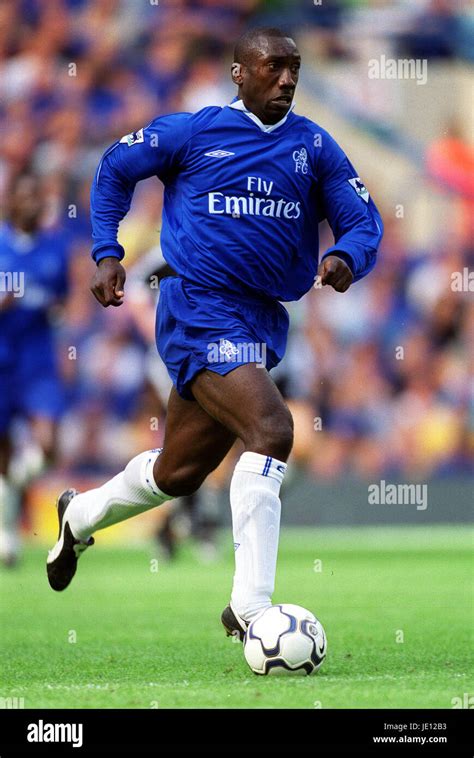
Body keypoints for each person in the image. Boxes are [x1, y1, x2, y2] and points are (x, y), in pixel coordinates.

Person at [47, 28, 383, 640]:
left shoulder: (314, 145)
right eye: (273, 67)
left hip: (260, 319)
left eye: (295, 69)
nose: (286, 79)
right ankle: (252, 610)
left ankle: (80, 515)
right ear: (239, 73)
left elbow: (362, 218)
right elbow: (116, 167)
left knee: (179, 473)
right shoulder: (194, 131)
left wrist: (348, 257)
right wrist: (106, 251)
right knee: (273, 429)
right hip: (195, 306)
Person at [0, 172, 69, 566]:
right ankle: (8, 534)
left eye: (36, 197)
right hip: (1, 358)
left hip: (38, 361)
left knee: (46, 446)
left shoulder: (55, 250)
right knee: (3, 449)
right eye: (23, 197)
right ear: (9, 202)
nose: (31, 204)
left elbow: (60, 302)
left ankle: (15, 488)